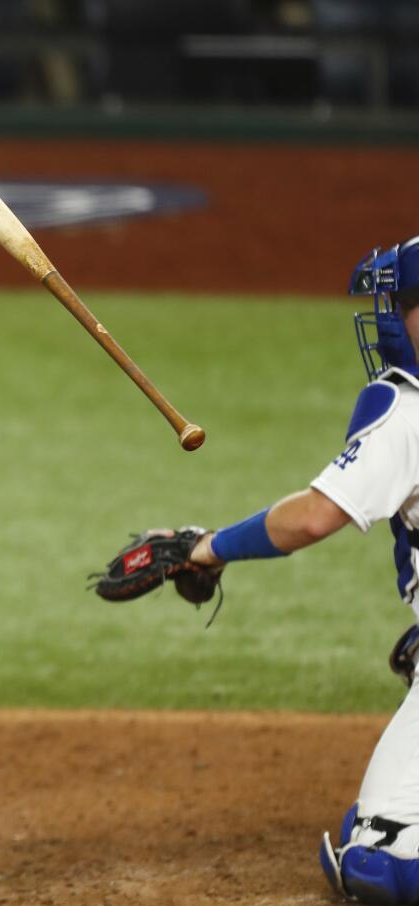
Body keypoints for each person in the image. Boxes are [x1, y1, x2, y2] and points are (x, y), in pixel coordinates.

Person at [171, 236, 419, 905]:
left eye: (401, 303)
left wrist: (208, 547)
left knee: (383, 862)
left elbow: (312, 517)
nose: (390, 316)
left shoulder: (404, 408)